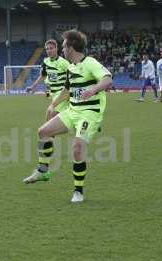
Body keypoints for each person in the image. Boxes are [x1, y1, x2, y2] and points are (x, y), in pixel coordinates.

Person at [23, 30, 113, 203]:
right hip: (73, 112)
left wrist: (93, 89)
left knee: (77, 147)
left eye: (63, 46)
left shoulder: (90, 63)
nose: (62, 49)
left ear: (71, 47)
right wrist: (53, 105)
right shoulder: (71, 67)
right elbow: (67, 90)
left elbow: (108, 79)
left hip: (89, 113)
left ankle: (78, 191)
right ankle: (43, 171)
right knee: (43, 132)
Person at [27, 39, 70, 120]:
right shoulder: (45, 62)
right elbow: (43, 76)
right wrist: (33, 86)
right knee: (50, 119)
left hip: (62, 94)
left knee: (50, 116)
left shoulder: (64, 63)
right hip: (53, 94)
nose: (49, 50)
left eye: (51, 48)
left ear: (56, 49)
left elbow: (72, 77)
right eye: (47, 49)